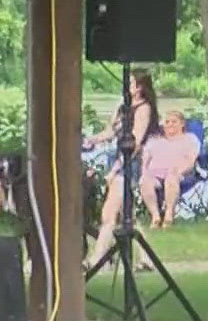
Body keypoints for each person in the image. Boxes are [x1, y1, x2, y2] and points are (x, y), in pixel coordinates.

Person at [83, 69, 156, 270]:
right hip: (117, 161)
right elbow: (110, 131)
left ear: (140, 87)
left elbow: (136, 142)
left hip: (128, 164)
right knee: (128, 216)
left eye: (131, 82)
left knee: (109, 214)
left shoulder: (143, 109)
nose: (127, 86)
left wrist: (117, 168)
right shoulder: (122, 107)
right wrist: (91, 140)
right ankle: (146, 259)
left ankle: (97, 259)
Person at [139, 109, 201, 229]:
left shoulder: (190, 139)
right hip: (155, 174)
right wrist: (144, 172)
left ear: (182, 124)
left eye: (174, 121)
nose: (170, 124)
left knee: (171, 178)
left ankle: (168, 215)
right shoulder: (154, 140)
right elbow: (145, 161)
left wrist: (178, 171)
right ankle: (155, 216)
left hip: (181, 173)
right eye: (167, 122)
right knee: (145, 181)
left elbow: (191, 160)